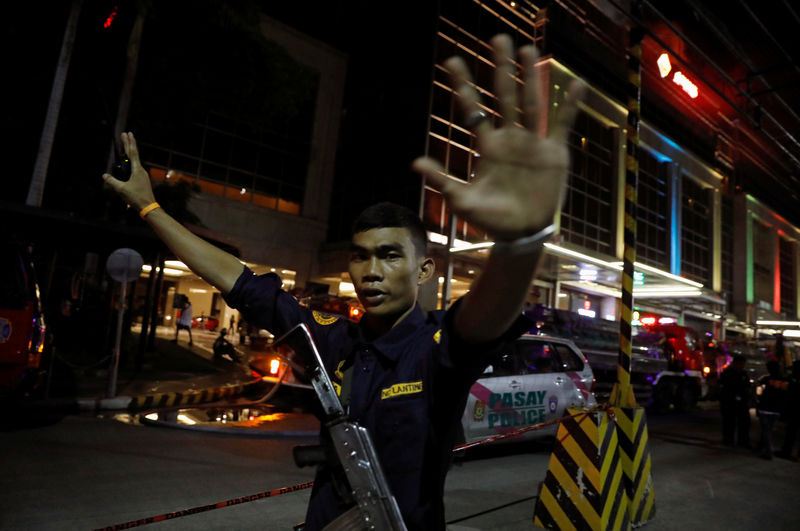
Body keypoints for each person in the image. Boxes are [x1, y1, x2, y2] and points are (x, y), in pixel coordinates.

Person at [102, 34, 584, 530]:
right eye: (360, 256)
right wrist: (150, 207)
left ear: (425, 270)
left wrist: (524, 240)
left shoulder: (437, 350)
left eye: (390, 255)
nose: (370, 271)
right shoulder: (330, 339)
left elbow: (484, 316)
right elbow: (239, 281)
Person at [755, 360, 788, 459]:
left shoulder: (766, 379)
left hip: (766, 407)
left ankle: (768, 451)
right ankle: (762, 447)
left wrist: (758, 401)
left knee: (766, 430)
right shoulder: (785, 380)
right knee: (768, 429)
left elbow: (758, 390)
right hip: (777, 409)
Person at [719, 354, 752, 448]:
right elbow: (724, 385)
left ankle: (742, 441)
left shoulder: (743, 374)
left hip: (741, 402)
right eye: (740, 364)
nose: (741, 366)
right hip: (729, 401)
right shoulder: (728, 373)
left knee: (743, 422)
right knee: (729, 422)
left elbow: (747, 386)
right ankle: (728, 440)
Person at [776, 359, 800, 461]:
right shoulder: (792, 380)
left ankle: (788, 451)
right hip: (794, 410)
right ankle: (789, 452)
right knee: (791, 432)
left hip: (794, 410)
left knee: (791, 432)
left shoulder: (793, 381)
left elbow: (789, 396)